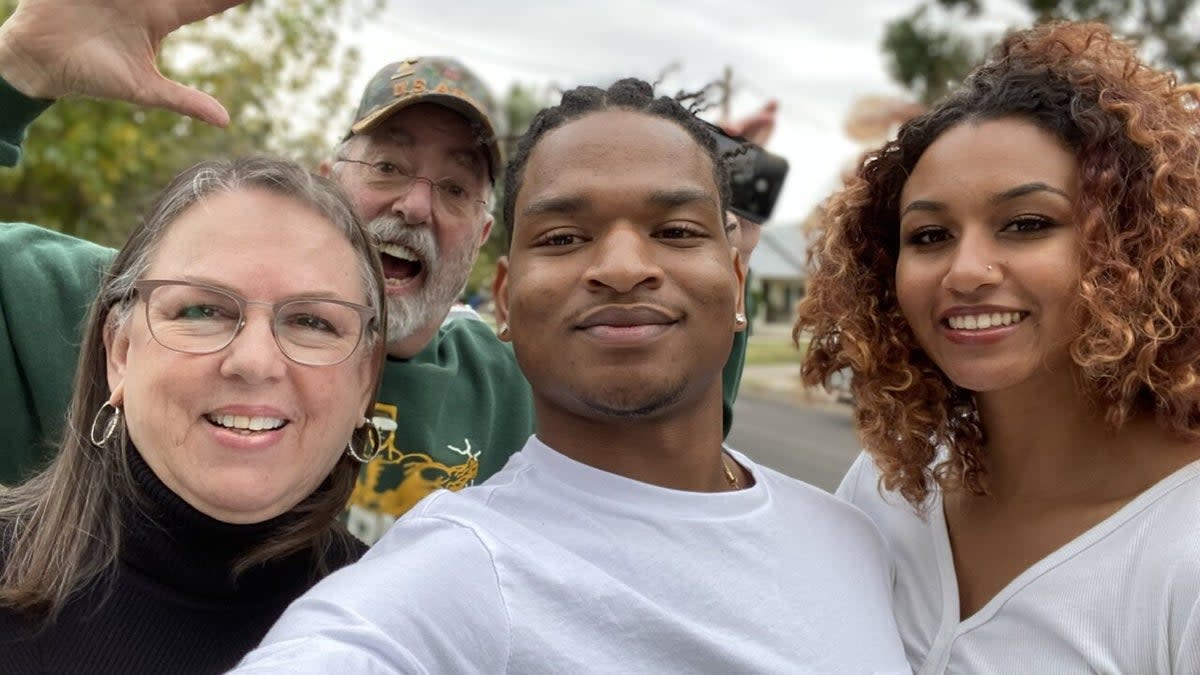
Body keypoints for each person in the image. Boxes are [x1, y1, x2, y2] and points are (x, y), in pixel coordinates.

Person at [0, 0, 762, 545]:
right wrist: (18, 71)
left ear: (485, 239)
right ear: (326, 181)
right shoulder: (150, 311)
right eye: (389, 165)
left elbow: (675, 399)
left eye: (458, 187)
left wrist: (721, 249)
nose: (418, 204)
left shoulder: (520, 385)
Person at [230, 78, 909, 674]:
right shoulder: (450, 573)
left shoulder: (859, 540)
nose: (620, 266)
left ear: (737, 279)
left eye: (675, 230)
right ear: (506, 298)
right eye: (561, 237)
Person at [795, 21, 1200, 673]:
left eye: (1027, 224)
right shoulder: (890, 485)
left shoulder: (1184, 545)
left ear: (1138, 248)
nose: (966, 270)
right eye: (929, 235)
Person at [0, 155, 388, 674]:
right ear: (119, 351)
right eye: (203, 310)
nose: (253, 362)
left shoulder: (407, 631)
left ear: (364, 381)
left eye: (312, 322)